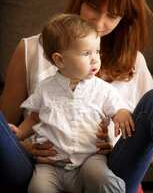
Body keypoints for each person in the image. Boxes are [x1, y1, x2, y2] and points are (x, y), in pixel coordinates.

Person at [0, 0, 153, 193]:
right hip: (39, 167)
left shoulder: (134, 62)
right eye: (94, 8)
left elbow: (151, 141)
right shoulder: (31, 49)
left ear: (125, 19)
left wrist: (115, 147)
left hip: (104, 168)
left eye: (113, 16)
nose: (98, 23)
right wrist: (27, 147)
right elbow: (6, 130)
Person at [9, 13, 136, 192]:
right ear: (60, 60)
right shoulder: (45, 88)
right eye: (86, 53)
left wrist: (122, 113)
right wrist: (20, 131)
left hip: (90, 160)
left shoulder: (102, 89)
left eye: (97, 51)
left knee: (102, 179)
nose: (95, 59)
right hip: (51, 166)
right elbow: (35, 118)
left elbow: (117, 110)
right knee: (38, 188)